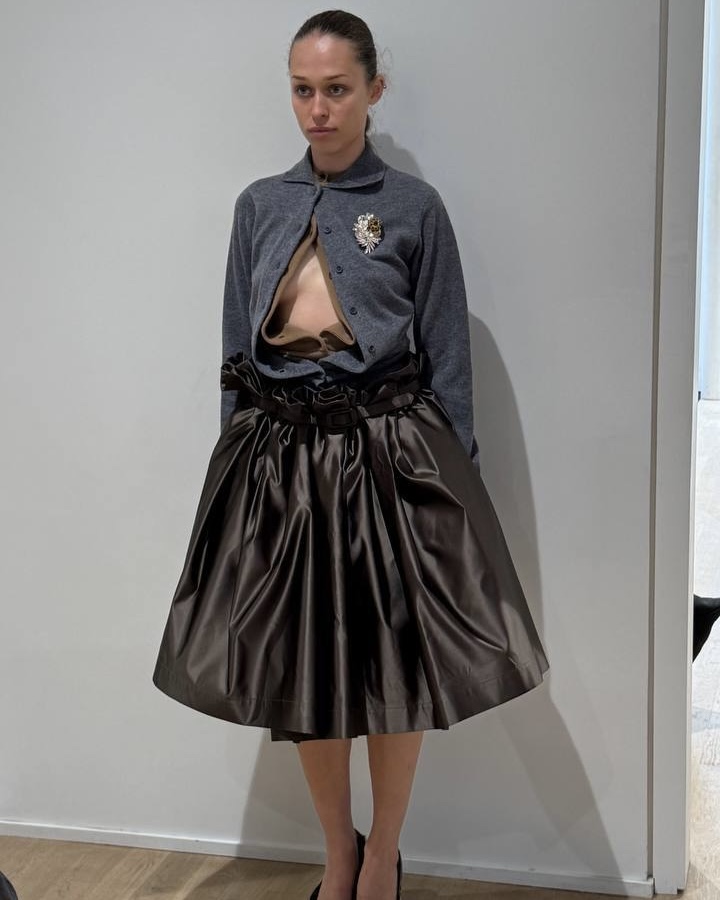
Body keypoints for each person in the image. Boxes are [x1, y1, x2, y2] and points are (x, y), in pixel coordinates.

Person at [152, 10, 549, 900]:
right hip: (281, 467)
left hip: (391, 461)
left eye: (337, 89)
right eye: (303, 90)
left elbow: (447, 356)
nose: (318, 110)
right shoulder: (259, 205)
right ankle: (338, 853)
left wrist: (455, 487)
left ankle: (382, 858)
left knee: (395, 667)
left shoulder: (414, 208)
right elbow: (235, 350)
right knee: (306, 670)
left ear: (375, 89)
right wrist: (233, 472)